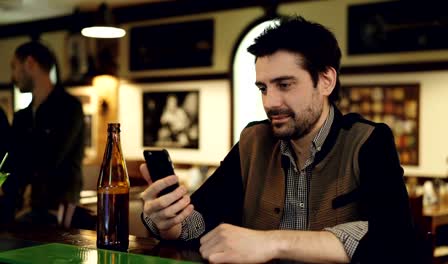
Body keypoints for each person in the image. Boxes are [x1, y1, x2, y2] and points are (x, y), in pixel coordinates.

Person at [140, 16, 422, 263]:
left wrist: (272, 242)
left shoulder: (368, 141)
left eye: (285, 85)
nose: (270, 102)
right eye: (263, 88)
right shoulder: (254, 141)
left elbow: (396, 241)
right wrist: (167, 221)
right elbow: (200, 220)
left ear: (326, 81)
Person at [1, 41, 85, 226]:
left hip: (58, 213)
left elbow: (50, 157)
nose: (13, 76)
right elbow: (13, 160)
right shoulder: (22, 116)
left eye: (14, 67)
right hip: (23, 210)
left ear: (30, 63)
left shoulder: (69, 108)